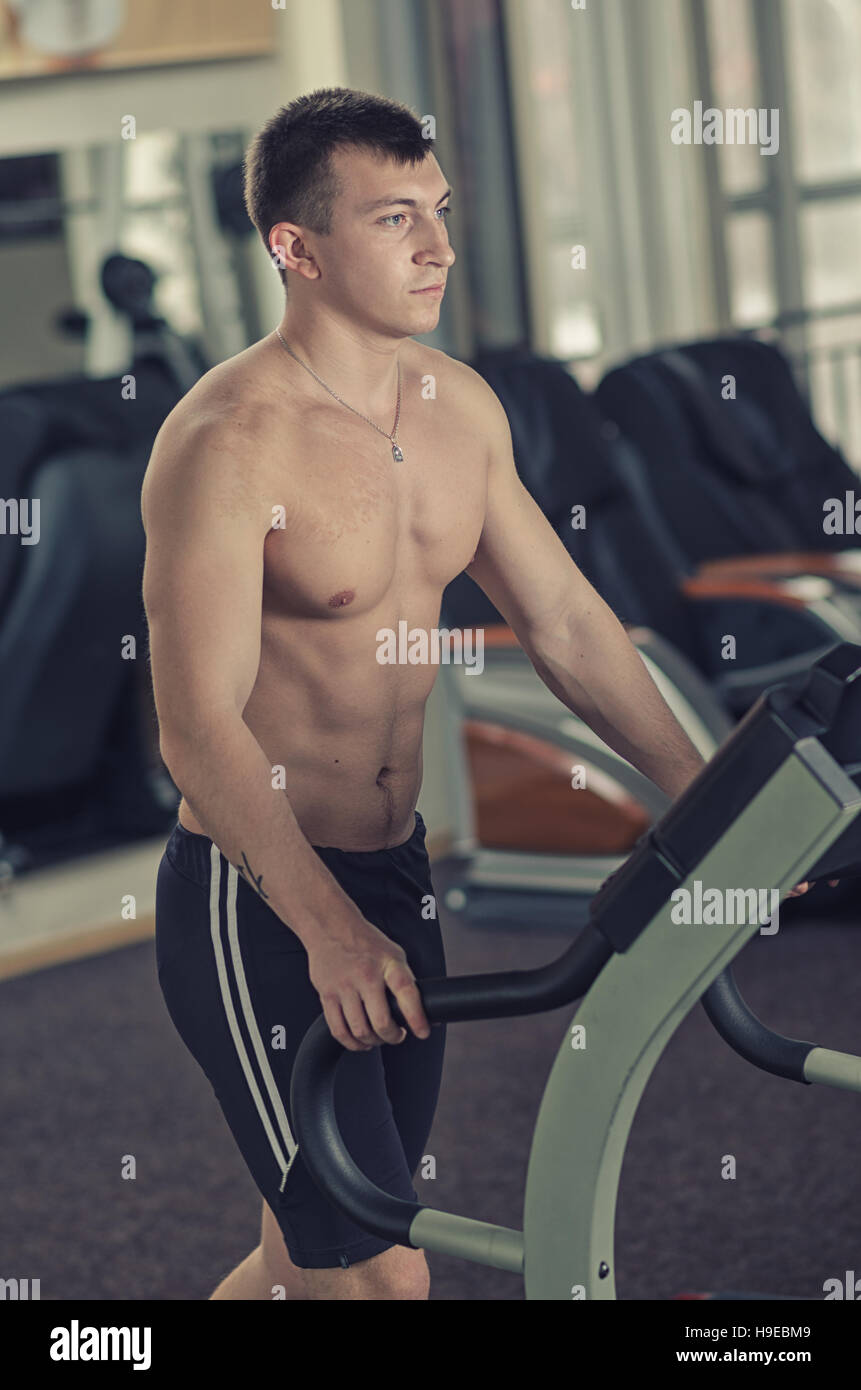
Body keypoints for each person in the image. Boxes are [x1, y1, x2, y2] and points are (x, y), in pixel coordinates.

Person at [141, 87, 816, 1302]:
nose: (439, 247)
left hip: (396, 874)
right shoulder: (227, 442)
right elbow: (196, 725)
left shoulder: (460, 408)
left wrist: (717, 801)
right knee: (383, 1276)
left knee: (313, 1260)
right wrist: (326, 929)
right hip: (263, 906)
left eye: (439, 212)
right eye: (395, 218)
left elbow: (566, 624)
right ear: (295, 247)